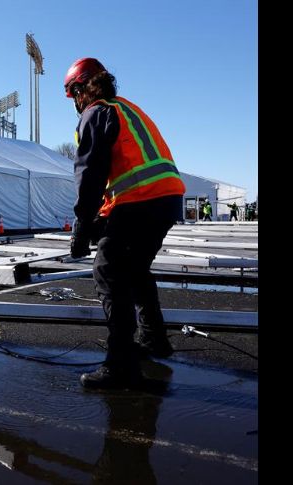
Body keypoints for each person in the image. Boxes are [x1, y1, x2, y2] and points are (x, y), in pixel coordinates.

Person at [64, 57, 186, 389]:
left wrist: (81, 227)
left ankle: (119, 364)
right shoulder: (127, 109)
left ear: (80, 89)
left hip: (141, 201)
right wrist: (103, 218)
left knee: (107, 271)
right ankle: (153, 339)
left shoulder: (96, 112)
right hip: (166, 198)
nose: (74, 103)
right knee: (135, 269)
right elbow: (125, 169)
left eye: (73, 94)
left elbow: (91, 175)